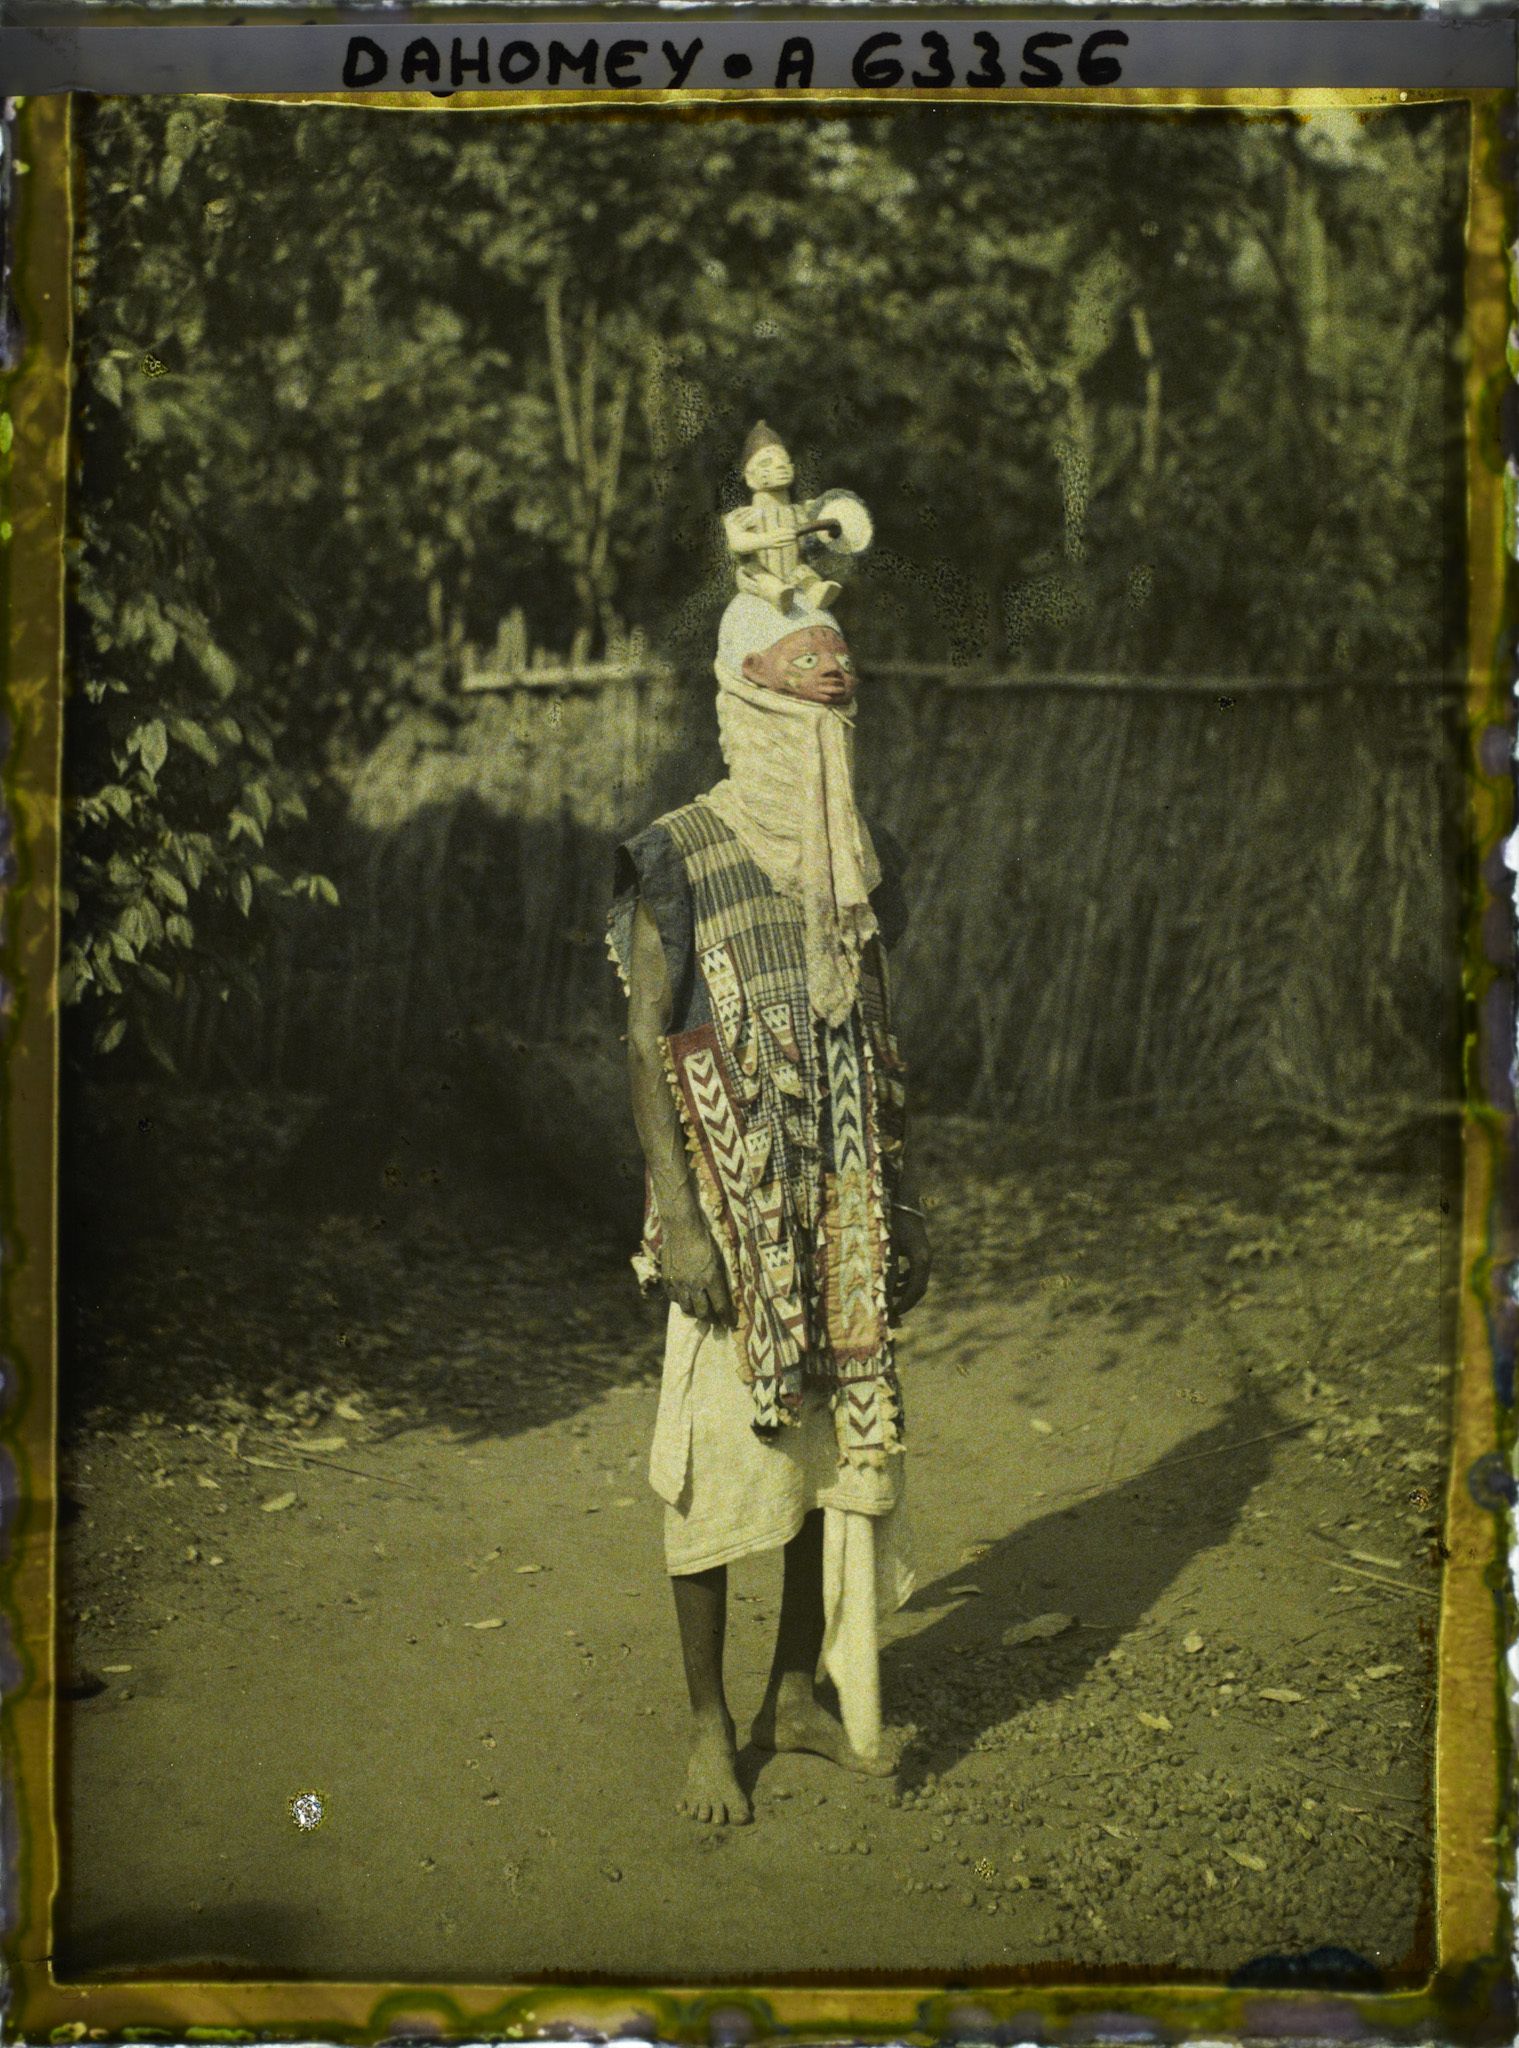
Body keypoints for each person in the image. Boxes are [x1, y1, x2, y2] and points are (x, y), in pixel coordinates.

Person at [606, 590, 931, 1826]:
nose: (819, 739)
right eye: (798, 712)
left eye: (833, 717)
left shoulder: (853, 852)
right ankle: (708, 1723)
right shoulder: (677, 849)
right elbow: (646, 1041)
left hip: (838, 1188)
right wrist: (684, 1219)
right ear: (747, 707)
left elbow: (878, 1032)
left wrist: (903, 1201)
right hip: (729, 1199)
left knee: (825, 1453)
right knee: (712, 1464)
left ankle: (793, 1689)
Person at [722, 421, 849, 613]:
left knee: (804, 572)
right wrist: (766, 539)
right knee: (761, 577)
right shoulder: (743, 515)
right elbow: (737, 542)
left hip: (794, 569)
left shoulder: (802, 510)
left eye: (784, 460)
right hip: (761, 569)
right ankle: (778, 595)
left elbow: (822, 532)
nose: (779, 465)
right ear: (749, 476)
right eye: (766, 463)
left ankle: (816, 590)